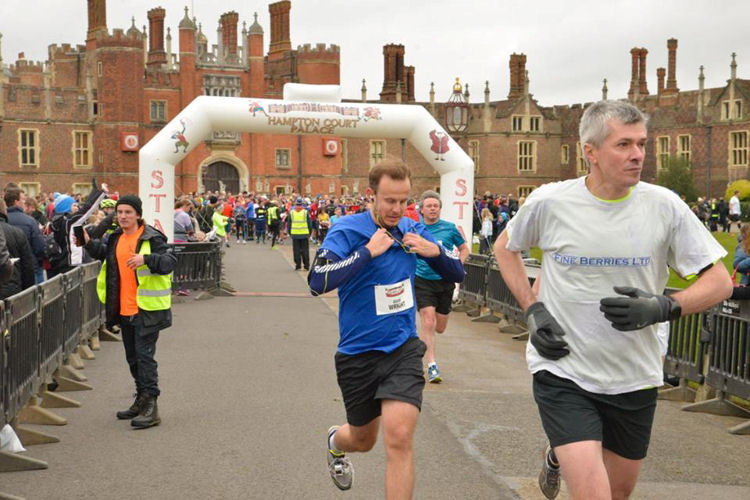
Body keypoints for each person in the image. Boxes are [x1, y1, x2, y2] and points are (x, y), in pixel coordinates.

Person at [493, 100, 732, 500]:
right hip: (563, 370)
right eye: (623, 145)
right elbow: (505, 247)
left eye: (641, 144)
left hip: (633, 374)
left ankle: (556, 453)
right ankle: (566, 447)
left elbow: (720, 281)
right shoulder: (551, 202)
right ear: (591, 152)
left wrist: (664, 307)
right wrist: (533, 310)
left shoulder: (664, 205)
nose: (637, 155)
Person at [308, 159, 464, 497]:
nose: (397, 209)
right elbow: (316, 281)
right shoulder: (348, 229)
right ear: (371, 195)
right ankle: (336, 440)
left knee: (399, 436)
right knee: (363, 440)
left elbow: (459, 273)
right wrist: (366, 252)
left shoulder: (412, 228)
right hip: (357, 354)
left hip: (401, 348)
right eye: (390, 200)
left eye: (404, 200)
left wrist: (434, 252)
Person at [84, 195, 176, 429]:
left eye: (128, 212)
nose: (123, 216)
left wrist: (146, 259)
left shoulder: (151, 237)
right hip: (123, 309)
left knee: (145, 359)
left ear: (137, 214)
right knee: (133, 358)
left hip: (147, 310)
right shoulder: (116, 238)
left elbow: (170, 261)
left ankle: (151, 406)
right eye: (120, 212)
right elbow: (108, 256)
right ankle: (141, 399)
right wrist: (88, 243)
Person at [415, 190, 469, 383]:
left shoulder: (449, 228)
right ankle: (431, 365)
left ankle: (429, 358)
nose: (432, 209)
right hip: (422, 279)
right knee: (427, 321)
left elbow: (464, 248)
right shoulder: (415, 228)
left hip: (445, 281)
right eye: (429, 206)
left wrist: (457, 266)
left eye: (436, 206)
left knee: (440, 327)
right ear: (421, 209)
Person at [5, 186, 46, 283]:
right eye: (23, 200)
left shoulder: (3, 220)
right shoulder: (30, 221)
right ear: (16, 202)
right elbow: (39, 247)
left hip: (6, 270)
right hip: (29, 268)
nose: (24, 203)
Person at [0, 198, 35, 299]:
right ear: (4, 211)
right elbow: (27, 266)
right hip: (12, 289)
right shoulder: (17, 233)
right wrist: (28, 293)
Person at [288, 197, 312, 271]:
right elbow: (309, 224)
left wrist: (290, 233)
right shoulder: (305, 212)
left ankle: (298, 265)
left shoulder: (291, 213)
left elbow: (289, 224)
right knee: (305, 250)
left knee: (296, 251)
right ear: (302, 205)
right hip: (304, 234)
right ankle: (306, 265)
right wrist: (309, 232)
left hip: (295, 234)